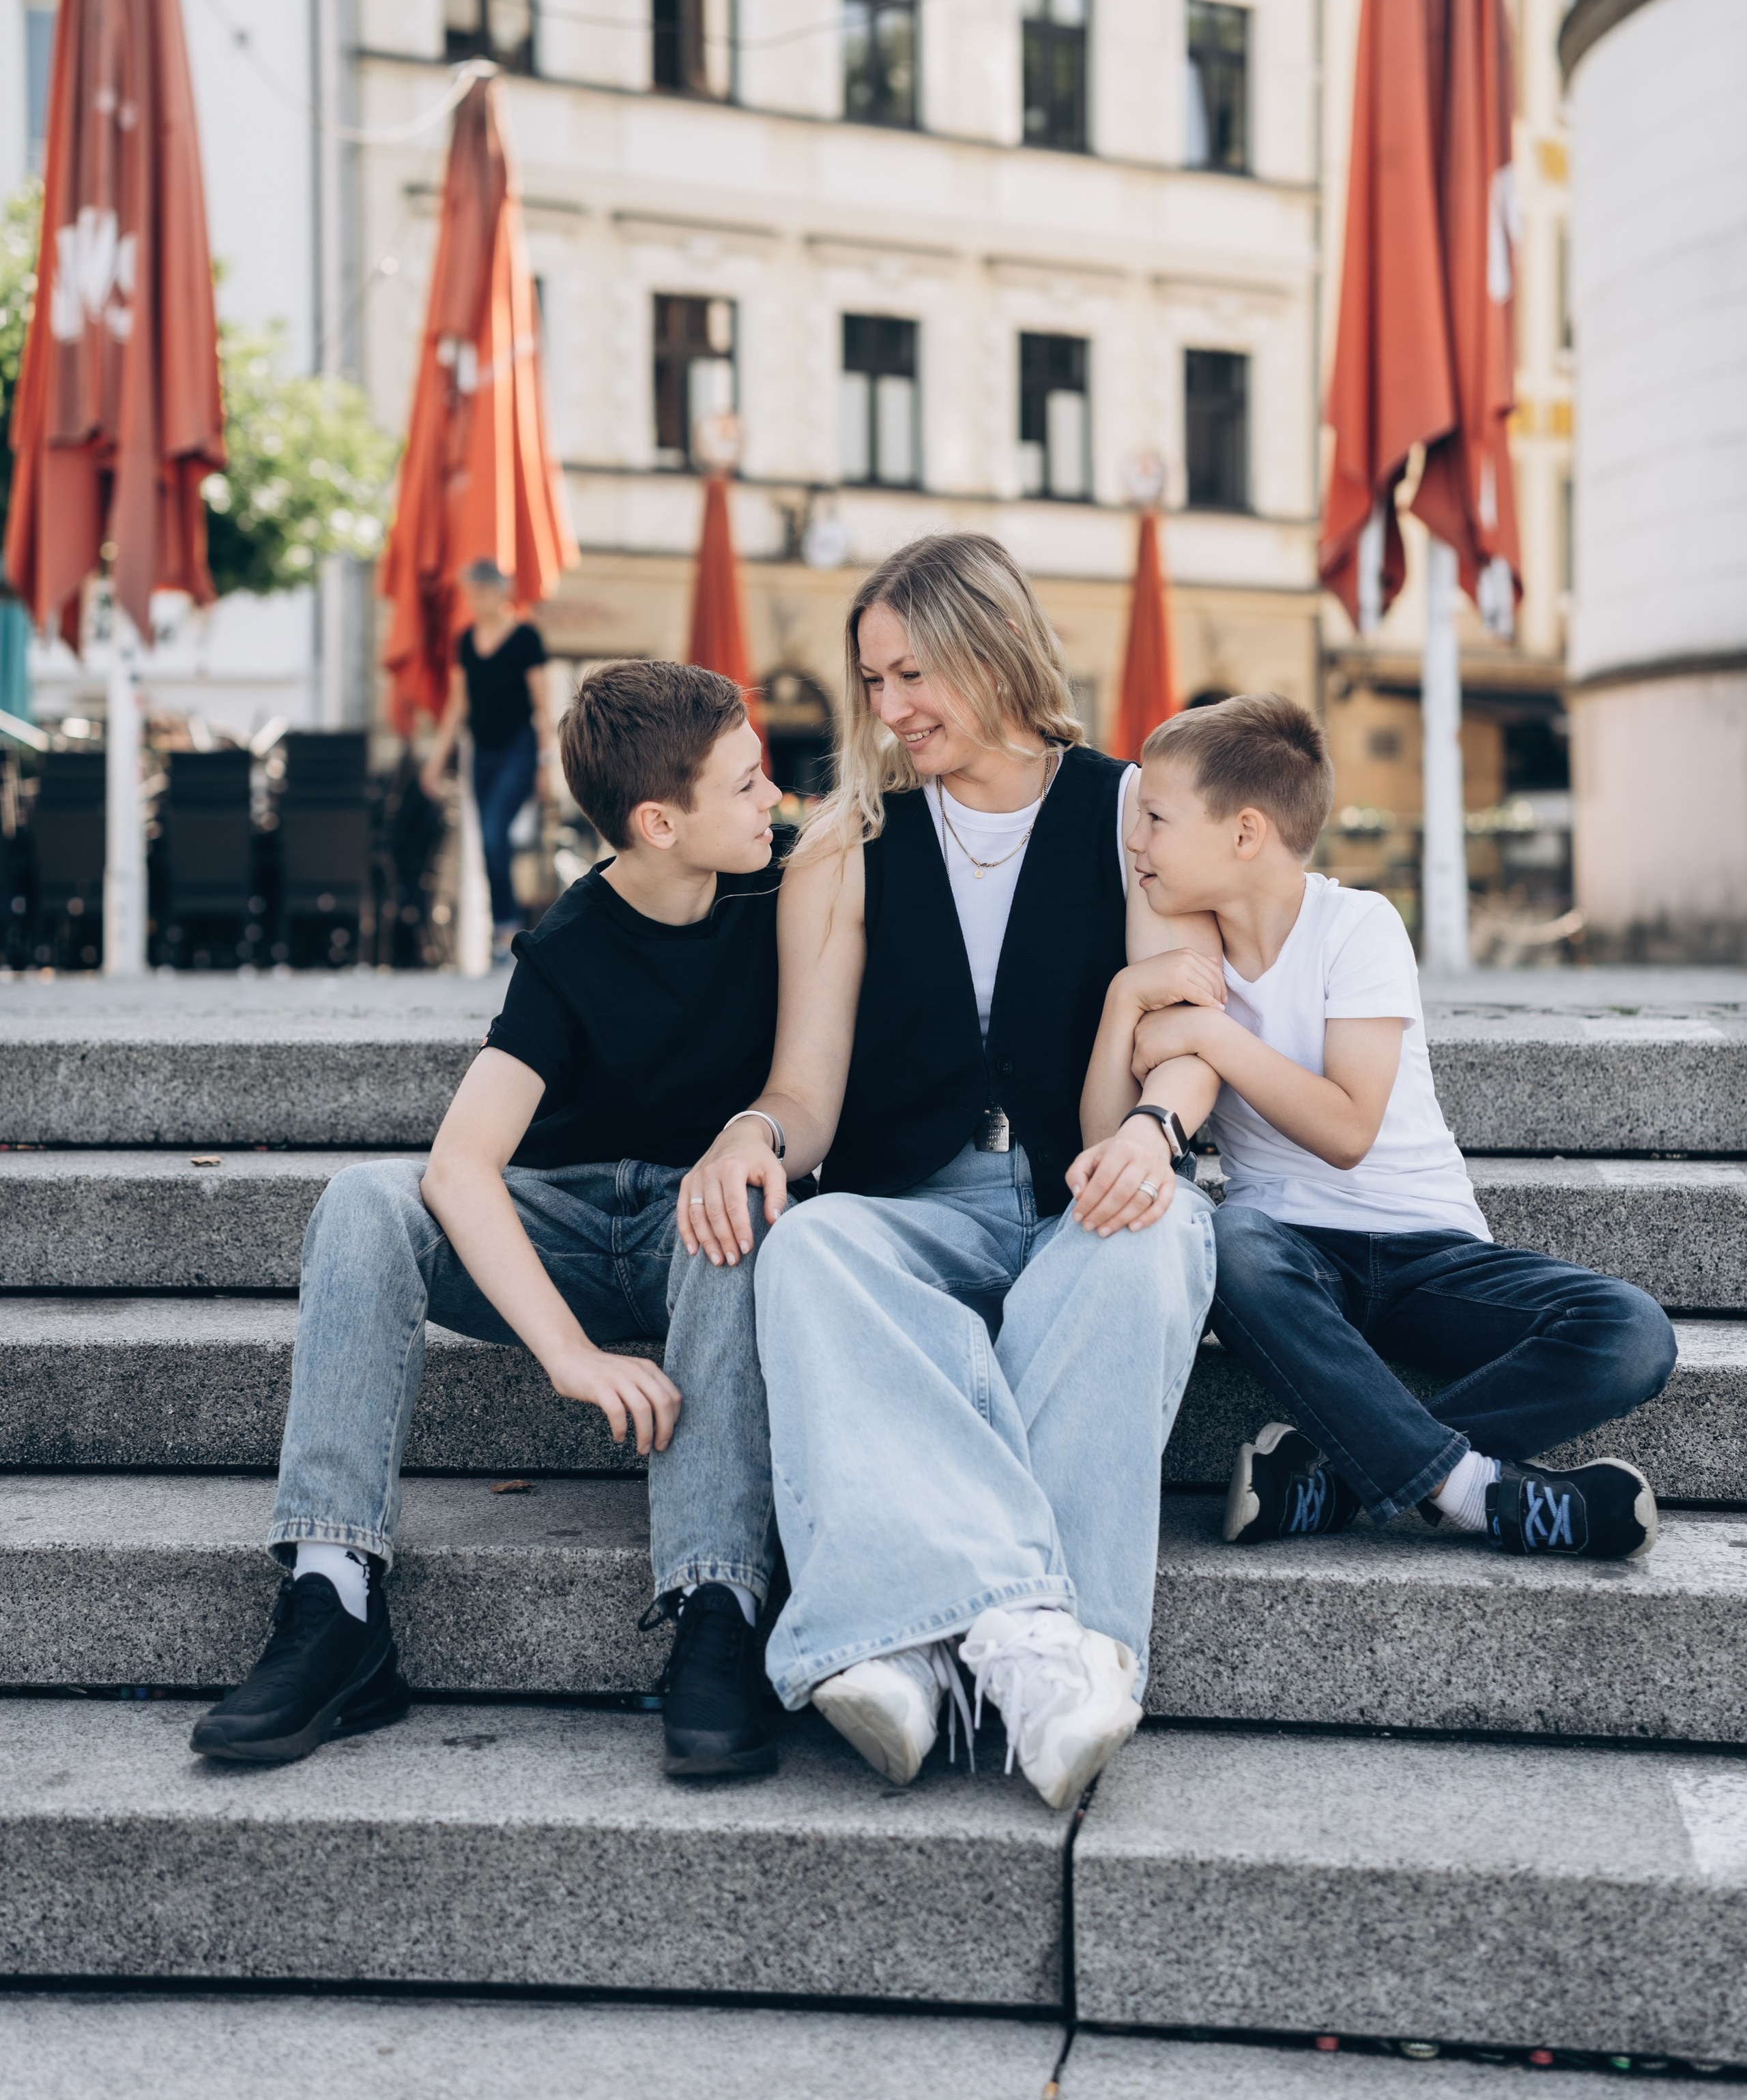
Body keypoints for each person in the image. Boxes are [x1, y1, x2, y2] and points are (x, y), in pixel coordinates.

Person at [679, 532, 1222, 1813]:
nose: (891, 709)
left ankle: (923, 1638)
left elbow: (1191, 1029)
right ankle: (1036, 1647)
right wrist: (754, 1133)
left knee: (1142, 1247)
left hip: (1086, 1180)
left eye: (912, 672)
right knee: (808, 1249)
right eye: (873, 683)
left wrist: (1154, 1132)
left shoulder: (1132, 803)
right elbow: (807, 1090)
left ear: (992, 647)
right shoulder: (848, 842)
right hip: (919, 1196)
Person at [192, 660, 793, 1776]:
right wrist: (567, 1354)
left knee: (739, 1204)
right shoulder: (569, 947)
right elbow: (461, 1168)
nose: (776, 803)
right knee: (366, 1198)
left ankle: (719, 1603)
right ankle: (334, 1599)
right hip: (560, 1228)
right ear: (661, 822)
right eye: (751, 785)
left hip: (698, 1231)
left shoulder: (788, 886)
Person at [1095, 690, 1677, 1561]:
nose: (1134, 840)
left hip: (1429, 1255)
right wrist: (1122, 1002)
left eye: (1155, 818)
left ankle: (1335, 1475)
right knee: (1231, 1243)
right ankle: (1482, 1494)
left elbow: (1347, 1128)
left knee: (1633, 1333)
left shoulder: (1357, 925)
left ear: (1245, 833)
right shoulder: (1186, 952)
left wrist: (1213, 1033)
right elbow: (1107, 1134)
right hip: (1293, 1264)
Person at [420, 559, 555, 963]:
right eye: (470, 592)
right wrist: (435, 760)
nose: (474, 600)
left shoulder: (526, 638)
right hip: (481, 754)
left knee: (496, 833)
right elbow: (458, 707)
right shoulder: (465, 640)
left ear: (502, 592)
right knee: (487, 844)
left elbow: (542, 705)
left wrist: (547, 763)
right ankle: (502, 932)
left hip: (520, 749)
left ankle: (507, 928)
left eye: (481, 591)